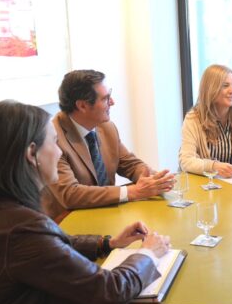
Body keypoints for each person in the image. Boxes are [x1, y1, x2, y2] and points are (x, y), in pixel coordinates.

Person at [0, 101, 172, 304]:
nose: (61, 152)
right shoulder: (18, 228)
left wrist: (108, 242)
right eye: (53, 143)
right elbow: (110, 291)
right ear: (32, 154)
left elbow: (49, 247)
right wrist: (149, 254)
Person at [41, 69, 174, 220]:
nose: (112, 102)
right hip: (68, 223)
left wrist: (155, 179)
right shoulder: (52, 139)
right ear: (82, 106)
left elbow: (129, 164)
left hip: (108, 215)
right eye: (105, 98)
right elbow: (70, 194)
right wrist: (133, 192)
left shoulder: (106, 127)